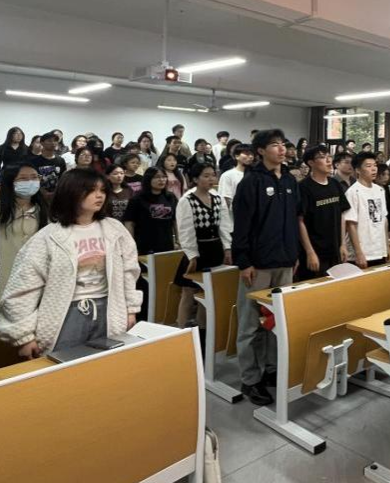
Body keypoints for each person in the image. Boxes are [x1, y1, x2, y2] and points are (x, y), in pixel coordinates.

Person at [0, 168, 141, 357]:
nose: (99, 196)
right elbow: (24, 287)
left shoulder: (115, 229)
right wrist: (24, 336)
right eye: (91, 190)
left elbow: (129, 272)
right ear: (71, 192)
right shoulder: (48, 237)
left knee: (106, 363)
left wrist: (131, 309)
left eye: (103, 190)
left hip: (110, 308)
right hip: (66, 313)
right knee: (66, 365)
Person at [231, 129, 299, 406]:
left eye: (283, 144)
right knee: (250, 325)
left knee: (276, 322)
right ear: (260, 151)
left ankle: (272, 369)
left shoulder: (290, 180)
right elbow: (241, 225)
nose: (281, 149)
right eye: (274, 145)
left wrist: (294, 253)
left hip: (285, 261)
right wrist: (244, 261)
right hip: (257, 264)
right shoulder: (251, 182)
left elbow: (294, 219)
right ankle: (250, 379)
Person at [173, 163, 231, 328]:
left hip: (215, 250)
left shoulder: (218, 198)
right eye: (206, 176)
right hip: (197, 251)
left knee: (208, 293)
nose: (211, 179)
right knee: (188, 292)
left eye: (213, 175)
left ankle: (203, 329)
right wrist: (192, 255)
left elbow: (225, 225)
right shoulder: (187, 200)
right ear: (195, 179)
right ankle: (181, 330)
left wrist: (227, 248)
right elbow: (185, 230)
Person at [0, 163, 46, 308]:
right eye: (23, 178)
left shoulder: (45, 213)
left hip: (35, 284)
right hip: (0, 283)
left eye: (34, 177)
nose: (30, 182)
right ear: (9, 182)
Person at [297, 145, 351, 278]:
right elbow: (300, 221)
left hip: (335, 249)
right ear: (311, 163)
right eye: (322, 157)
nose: (328, 160)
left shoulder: (335, 184)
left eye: (329, 156)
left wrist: (343, 244)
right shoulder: (303, 187)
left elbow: (341, 215)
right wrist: (310, 252)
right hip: (315, 252)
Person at [345, 152, 390, 266]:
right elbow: (351, 225)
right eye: (368, 166)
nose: (374, 169)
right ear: (358, 170)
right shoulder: (353, 192)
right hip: (362, 252)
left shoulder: (380, 190)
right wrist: (358, 253)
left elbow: (384, 220)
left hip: (379, 250)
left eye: (375, 165)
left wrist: (386, 245)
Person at [123, 167, 178, 254]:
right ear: (148, 179)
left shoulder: (170, 197)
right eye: (157, 177)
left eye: (164, 177)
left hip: (167, 244)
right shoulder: (137, 199)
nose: (161, 180)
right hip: (144, 246)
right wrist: (131, 246)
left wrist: (178, 241)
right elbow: (129, 223)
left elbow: (176, 221)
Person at [30, 132, 67, 196]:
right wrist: (43, 192)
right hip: (37, 194)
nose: (53, 143)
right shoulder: (33, 161)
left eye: (55, 141)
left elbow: (62, 178)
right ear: (42, 143)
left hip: (56, 194)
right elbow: (32, 179)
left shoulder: (60, 160)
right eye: (49, 141)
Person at [219, 144, 252, 213]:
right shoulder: (228, 175)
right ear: (237, 156)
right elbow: (226, 199)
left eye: (252, 154)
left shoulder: (256, 175)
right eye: (247, 154)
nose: (250, 156)